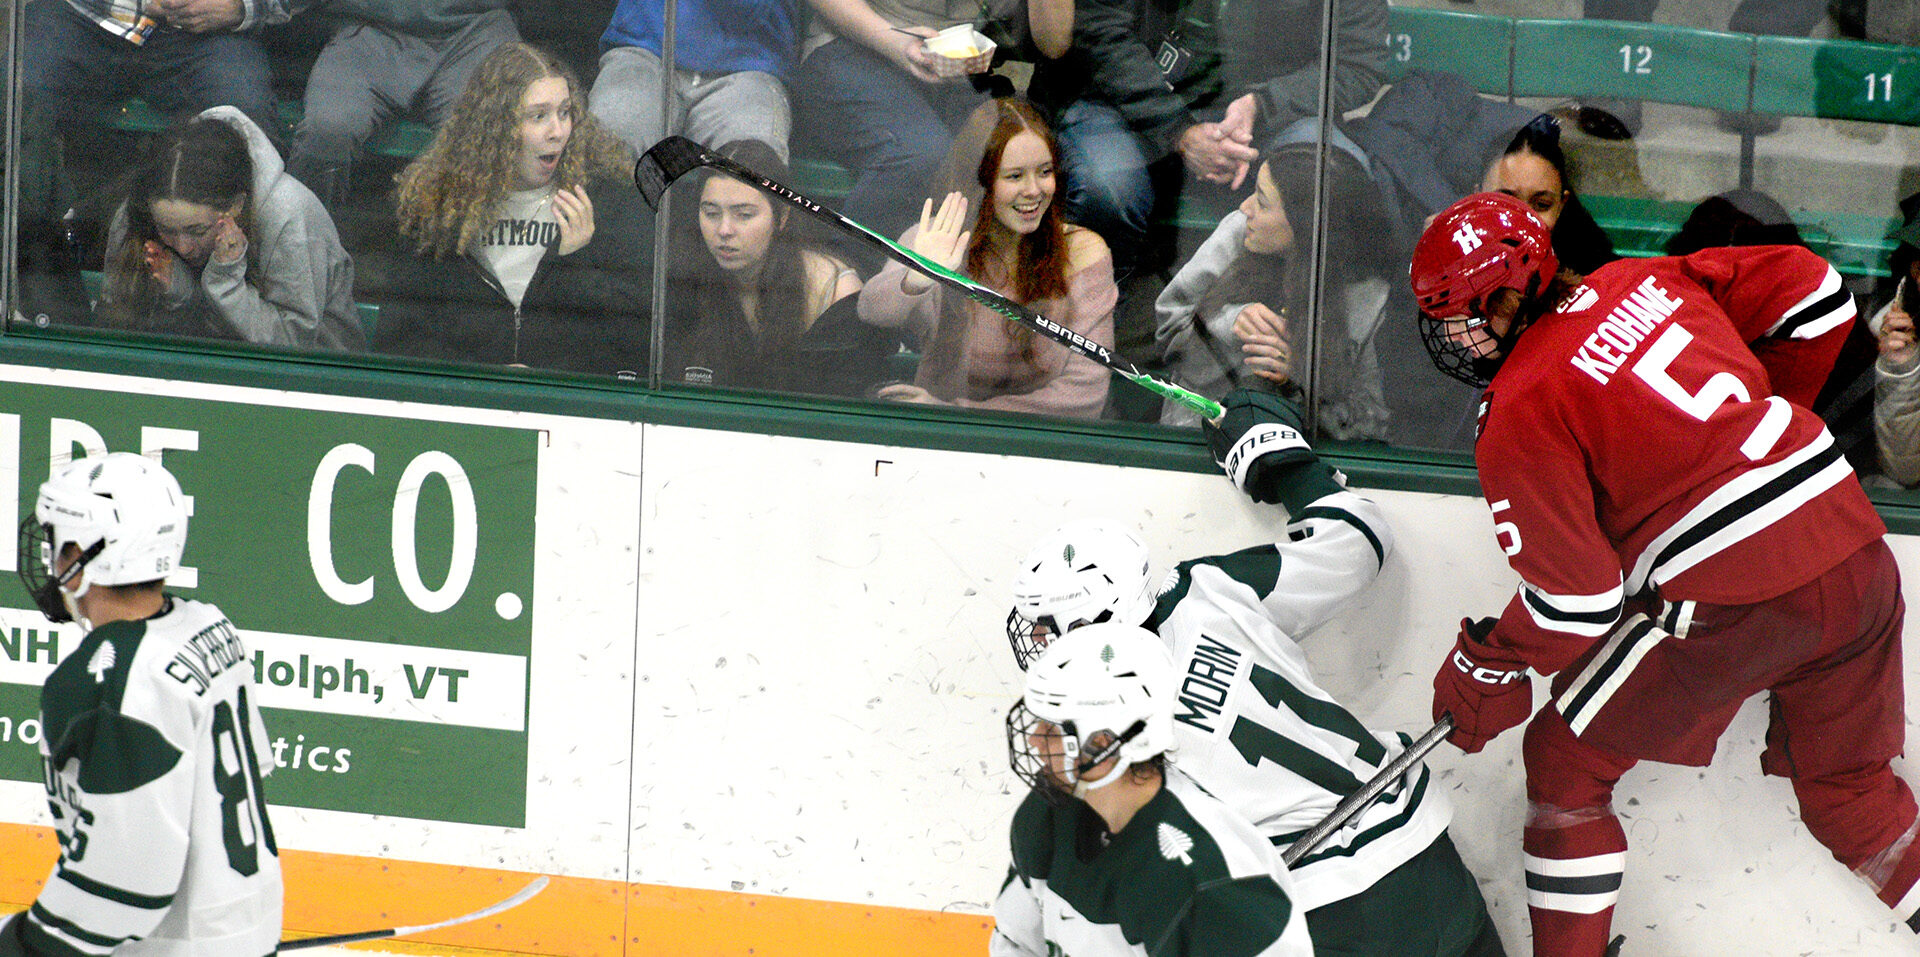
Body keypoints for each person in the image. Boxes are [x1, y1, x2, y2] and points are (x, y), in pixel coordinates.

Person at [1408, 191, 1919, 955]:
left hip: (1741, 599)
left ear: (1509, 292)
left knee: (1563, 760)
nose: (1454, 338)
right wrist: (1754, 429)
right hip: (1852, 549)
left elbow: (1577, 602)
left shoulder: (1519, 404)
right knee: (1851, 792)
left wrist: (1486, 662)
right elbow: (1817, 295)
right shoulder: (1643, 280)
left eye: (1460, 315)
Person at [1005, 388, 1505, 955]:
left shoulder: (1106, 720)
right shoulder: (1211, 591)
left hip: (1325, 915)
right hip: (1426, 858)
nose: (1037, 638)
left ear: (1097, 618)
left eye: (1047, 623)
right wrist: (1280, 459)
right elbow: (1356, 541)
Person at [0, 453, 281, 957]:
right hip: (243, 924)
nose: (52, 561)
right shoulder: (206, 626)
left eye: (61, 545)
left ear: (96, 555)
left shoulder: (111, 680)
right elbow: (253, 766)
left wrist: (28, 944)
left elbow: (127, 878)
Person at [1025, 0, 1388, 325]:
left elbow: (1357, 62)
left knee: (1329, 182)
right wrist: (1177, 129)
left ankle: (1298, 342)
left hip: (1265, 113)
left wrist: (1262, 105)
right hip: (1133, 101)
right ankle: (1092, 329)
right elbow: (1100, 29)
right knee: (1107, 187)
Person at [992, 622, 1314, 957]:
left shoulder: (1204, 876)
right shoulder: (1046, 817)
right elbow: (1016, 943)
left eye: (1051, 730)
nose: (1033, 741)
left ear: (1102, 746)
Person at [375, 42, 650, 377]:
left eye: (565, 112)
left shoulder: (608, 199)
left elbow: (637, 344)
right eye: (538, 117)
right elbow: (401, 343)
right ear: (496, 128)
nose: (558, 131)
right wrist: (486, 377)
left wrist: (578, 265)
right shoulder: (441, 206)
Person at [856, 98, 1116, 418]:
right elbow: (871, 312)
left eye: (1044, 172)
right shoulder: (942, 240)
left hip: (1040, 448)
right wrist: (916, 276)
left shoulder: (1083, 253)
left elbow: (1084, 394)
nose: (1034, 190)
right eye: (1015, 176)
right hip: (944, 441)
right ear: (980, 183)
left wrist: (953, 413)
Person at [1153, 129, 1395, 438]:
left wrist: (1299, 382)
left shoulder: (1366, 296)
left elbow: (1373, 423)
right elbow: (1165, 336)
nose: (1245, 208)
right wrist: (1229, 322)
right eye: (1253, 193)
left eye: (1263, 203)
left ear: (1304, 225)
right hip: (1200, 432)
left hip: (1296, 452)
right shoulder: (1240, 231)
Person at [97, 106, 367, 351]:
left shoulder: (289, 216)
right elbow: (117, 324)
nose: (182, 246)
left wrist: (226, 282)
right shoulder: (136, 212)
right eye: (166, 229)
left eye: (198, 231)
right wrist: (180, 290)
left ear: (237, 205)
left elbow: (293, 343)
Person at [665, 139, 899, 396]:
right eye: (711, 213)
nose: (724, 230)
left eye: (744, 215)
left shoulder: (835, 294)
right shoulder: (685, 272)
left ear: (782, 217)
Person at [284, 0, 522, 209]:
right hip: (369, 27)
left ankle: (460, 251)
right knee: (328, 129)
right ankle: (307, 244)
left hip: (477, 28)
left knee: (478, 138)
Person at [589, 0, 800, 163]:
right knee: (606, 140)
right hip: (645, 49)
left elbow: (746, 12)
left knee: (750, 165)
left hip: (748, 65)